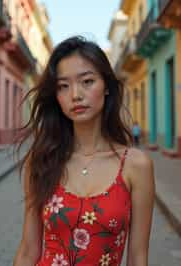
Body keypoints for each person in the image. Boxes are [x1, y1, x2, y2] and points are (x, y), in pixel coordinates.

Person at [13, 36, 155, 266]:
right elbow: (29, 250)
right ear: (56, 97)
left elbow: (138, 257)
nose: (75, 95)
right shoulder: (42, 159)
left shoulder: (135, 165)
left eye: (87, 81)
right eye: (63, 86)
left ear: (106, 86)